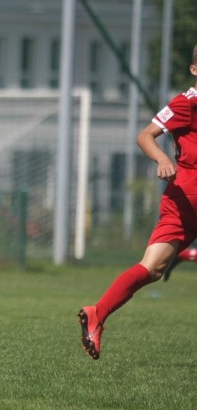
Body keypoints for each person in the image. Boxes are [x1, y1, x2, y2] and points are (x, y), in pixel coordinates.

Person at [78, 43, 197, 360]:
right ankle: (98, 313)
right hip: (184, 198)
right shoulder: (185, 103)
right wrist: (161, 159)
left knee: (153, 268)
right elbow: (145, 135)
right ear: (194, 70)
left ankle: (96, 313)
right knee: (151, 268)